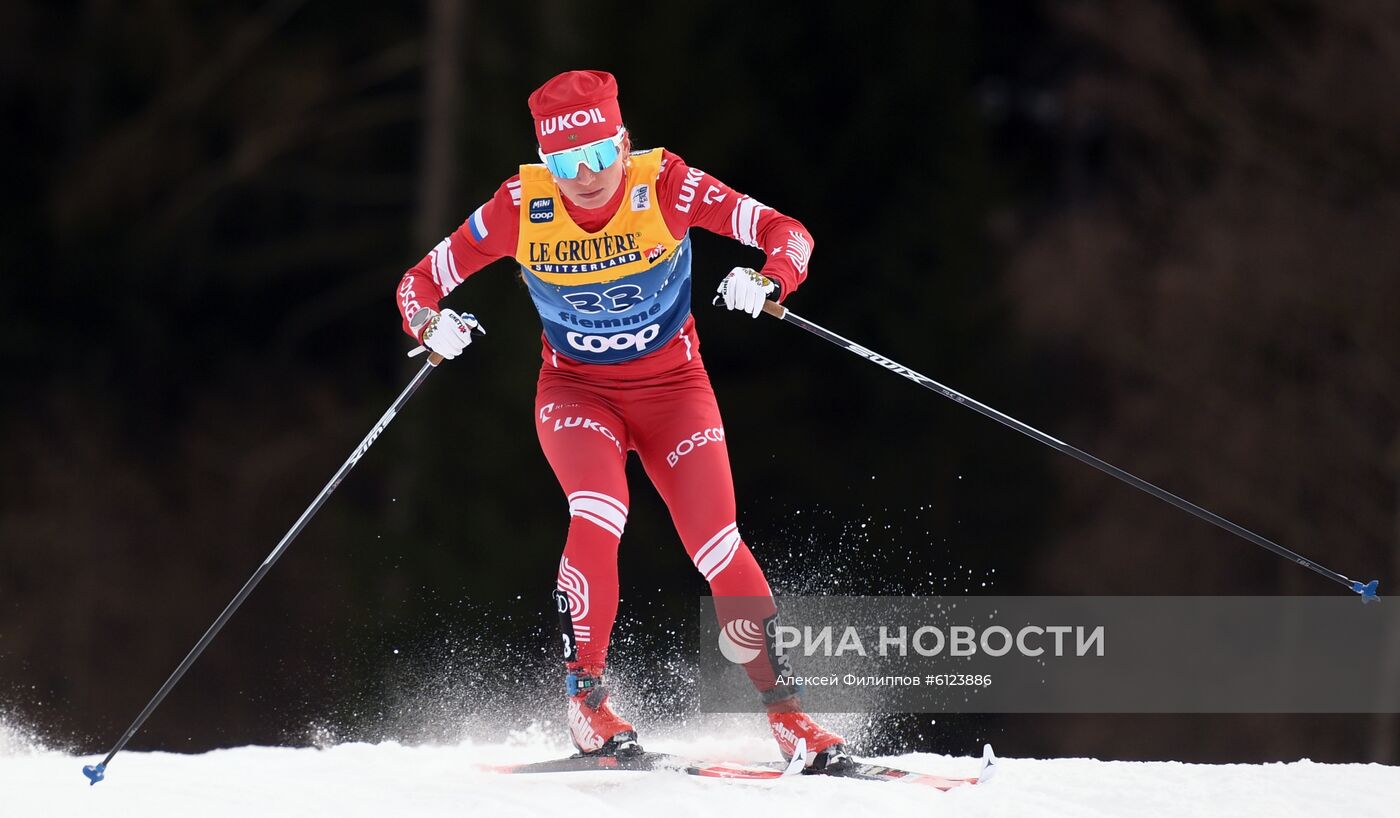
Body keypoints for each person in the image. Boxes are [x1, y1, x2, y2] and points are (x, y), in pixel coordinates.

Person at [396, 69, 846, 768]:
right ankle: (586, 703)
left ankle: (789, 717)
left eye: (600, 154)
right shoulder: (520, 207)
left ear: (623, 142)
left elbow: (787, 233)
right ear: (546, 163)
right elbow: (418, 282)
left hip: (675, 390)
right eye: (566, 162)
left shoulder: (666, 183)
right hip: (577, 393)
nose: (586, 176)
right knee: (600, 508)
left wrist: (768, 280)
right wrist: (430, 324)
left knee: (718, 543)